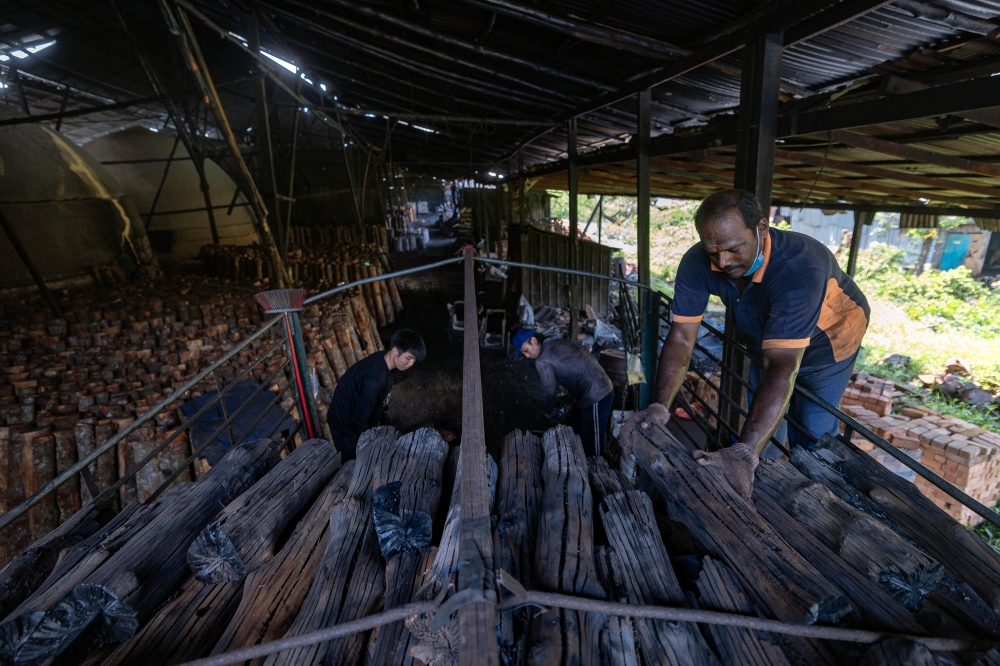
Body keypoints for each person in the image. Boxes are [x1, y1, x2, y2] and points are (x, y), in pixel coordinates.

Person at [622, 189, 869, 499]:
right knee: (760, 422)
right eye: (713, 251)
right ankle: (757, 479)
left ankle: (819, 498)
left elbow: (780, 365)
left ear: (761, 229)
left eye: (733, 248)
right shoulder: (698, 261)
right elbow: (682, 338)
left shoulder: (801, 266)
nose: (723, 261)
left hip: (829, 344)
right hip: (768, 336)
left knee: (812, 430)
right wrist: (659, 406)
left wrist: (743, 452)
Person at [326, 329, 426, 461]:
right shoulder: (373, 381)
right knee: (352, 460)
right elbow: (359, 420)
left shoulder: (384, 359)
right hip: (345, 421)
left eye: (414, 360)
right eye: (409, 358)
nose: (411, 364)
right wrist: (369, 445)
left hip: (357, 410)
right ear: (395, 350)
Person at [513, 328, 614, 456]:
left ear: (533, 341)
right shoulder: (556, 342)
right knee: (573, 426)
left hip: (597, 394)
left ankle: (599, 470)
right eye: (524, 354)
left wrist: (548, 412)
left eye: (526, 350)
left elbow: (549, 390)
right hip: (594, 388)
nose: (527, 356)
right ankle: (575, 457)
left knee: (593, 443)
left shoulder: (542, 360)